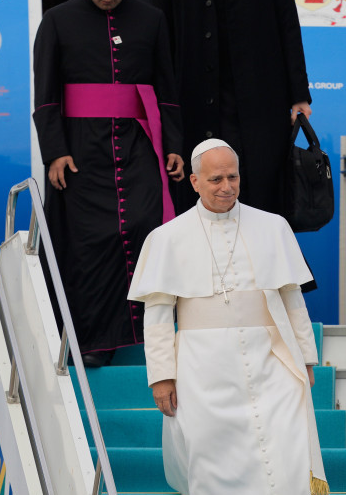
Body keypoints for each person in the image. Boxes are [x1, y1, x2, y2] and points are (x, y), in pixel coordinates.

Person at [128, 139, 328, 495]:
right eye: (216, 179)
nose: (226, 187)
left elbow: (292, 298)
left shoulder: (273, 226)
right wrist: (162, 376)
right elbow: (157, 316)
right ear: (194, 182)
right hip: (203, 369)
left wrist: (307, 358)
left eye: (232, 177)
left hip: (272, 361)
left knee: (287, 452)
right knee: (212, 460)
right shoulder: (167, 237)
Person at [33, 0, 184, 367]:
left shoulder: (151, 20)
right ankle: (91, 342)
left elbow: (167, 91)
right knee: (87, 243)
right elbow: (45, 97)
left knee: (140, 226)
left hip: (137, 145)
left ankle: (140, 334)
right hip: (80, 151)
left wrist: (173, 146)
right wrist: (54, 152)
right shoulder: (58, 21)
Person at [152, 0, 313, 216]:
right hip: (193, 106)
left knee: (262, 195)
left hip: (259, 107)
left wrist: (299, 95)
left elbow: (289, 29)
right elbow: (158, 47)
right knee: (197, 202)